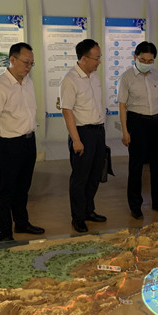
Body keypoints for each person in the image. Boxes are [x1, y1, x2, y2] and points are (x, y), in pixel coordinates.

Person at [0, 42, 45, 242]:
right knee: (6, 191)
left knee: (23, 187)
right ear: (12, 60)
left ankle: (21, 223)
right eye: (26, 62)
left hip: (28, 142)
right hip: (9, 145)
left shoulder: (28, 82)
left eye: (32, 63)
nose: (29, 67)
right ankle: (5, 233)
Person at [118, 41, 158, 219]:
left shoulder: (156, 75)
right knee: (136, 166)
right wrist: (125, 131)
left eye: (150, 61)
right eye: (143, 60)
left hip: (156, 121)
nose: (146, 63)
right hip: (137, 122)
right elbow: (122, 106)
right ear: (135, 57)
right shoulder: (127, 77)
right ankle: (135, 205)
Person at [60, 39, 108, 233]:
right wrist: (76, 140)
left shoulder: (94, 77)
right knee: (80, 178)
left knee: (95, 175)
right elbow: (67, 111)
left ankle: (89, 210)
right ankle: (78, 217)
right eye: (97, 58)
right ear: (84, 58)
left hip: (98, 131)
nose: (99, 62)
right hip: (82, 133)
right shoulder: (70, 79)